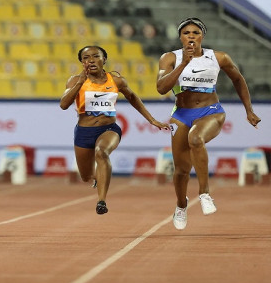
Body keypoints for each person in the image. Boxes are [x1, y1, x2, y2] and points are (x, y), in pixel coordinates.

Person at [156, 17, 261, 230]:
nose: (191, 36)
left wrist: (248, 110)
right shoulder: (169, 58)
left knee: (196, 138)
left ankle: (204, 193)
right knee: (181, 170)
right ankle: (181, 205)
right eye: (187, 33)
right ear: (180, 37)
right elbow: (161, 88)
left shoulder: (219, 57)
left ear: (202, 36)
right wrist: (184, 63)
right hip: (182, 114)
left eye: (196, 32)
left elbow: (238, 79)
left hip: (211, 111)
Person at [60, 45, 170, 214]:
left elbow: (133, 97)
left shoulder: (116, 80)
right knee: (86, 176)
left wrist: (152, 119)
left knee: (101, 152)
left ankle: (101, 201)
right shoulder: (74, 81)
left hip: (108, 128)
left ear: (104, 59)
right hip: (83, 131)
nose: (91, 60)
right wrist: (80, 82)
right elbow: (63, 105)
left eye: (95, 56)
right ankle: (100, 177)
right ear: (82, 62)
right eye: (86, 58)